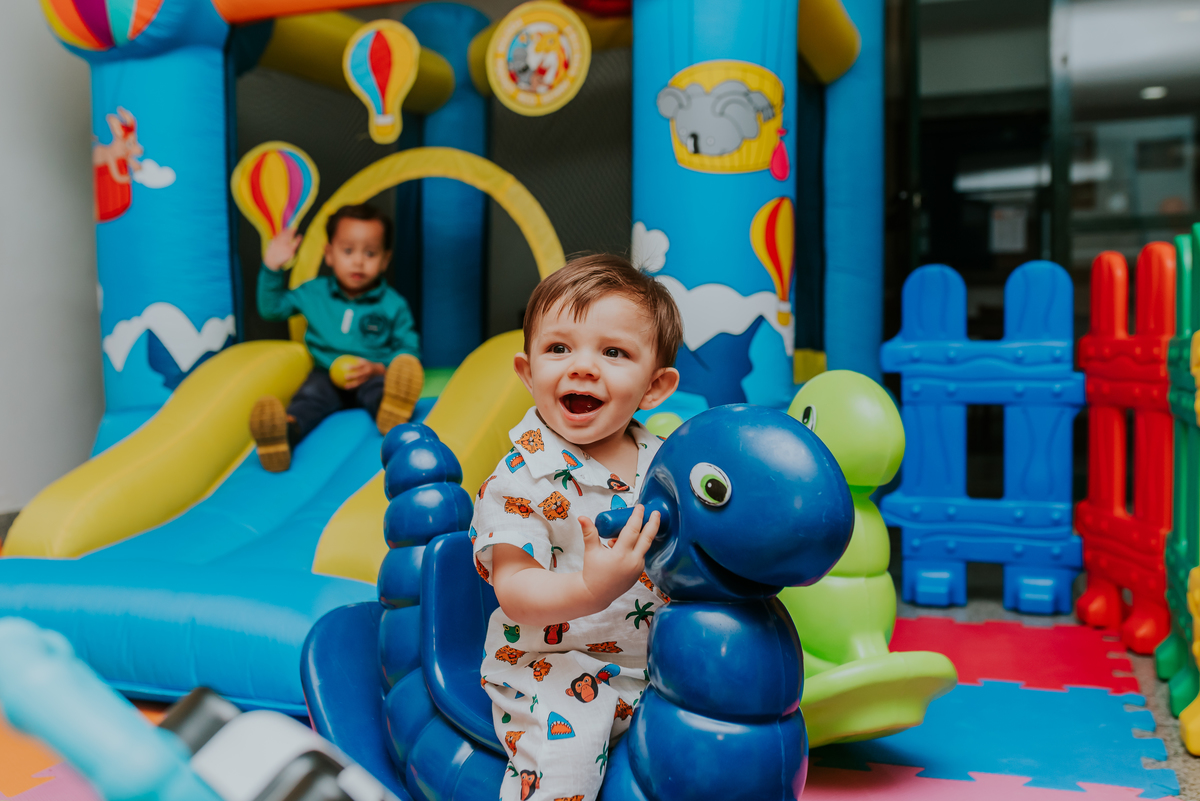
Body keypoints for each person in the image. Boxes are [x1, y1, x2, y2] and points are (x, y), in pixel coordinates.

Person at [470, 254, 682, 801]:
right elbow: (516, 592)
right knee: (569, 753)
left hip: (658, 667)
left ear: (654, 387)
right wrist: (592, 588)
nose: (582, 366)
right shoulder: (519, 479)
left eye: (613, 352)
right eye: (559, 348)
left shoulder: (668, 465)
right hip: (552, 668)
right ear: (527, 371)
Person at [250, 203, 423, 472]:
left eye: (370, 253)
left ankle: (392, 412)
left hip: (370, 374)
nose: (358, 261)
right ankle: (284, 434)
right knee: (307, 401)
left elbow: (408, 350)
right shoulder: (313, 293)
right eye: (348, 251)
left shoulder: (392, 304)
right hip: (325, 374)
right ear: (329, 254)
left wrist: (378, 368)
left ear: (385, 260)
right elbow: (271, 308)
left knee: (380, 392)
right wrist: (272, 267)